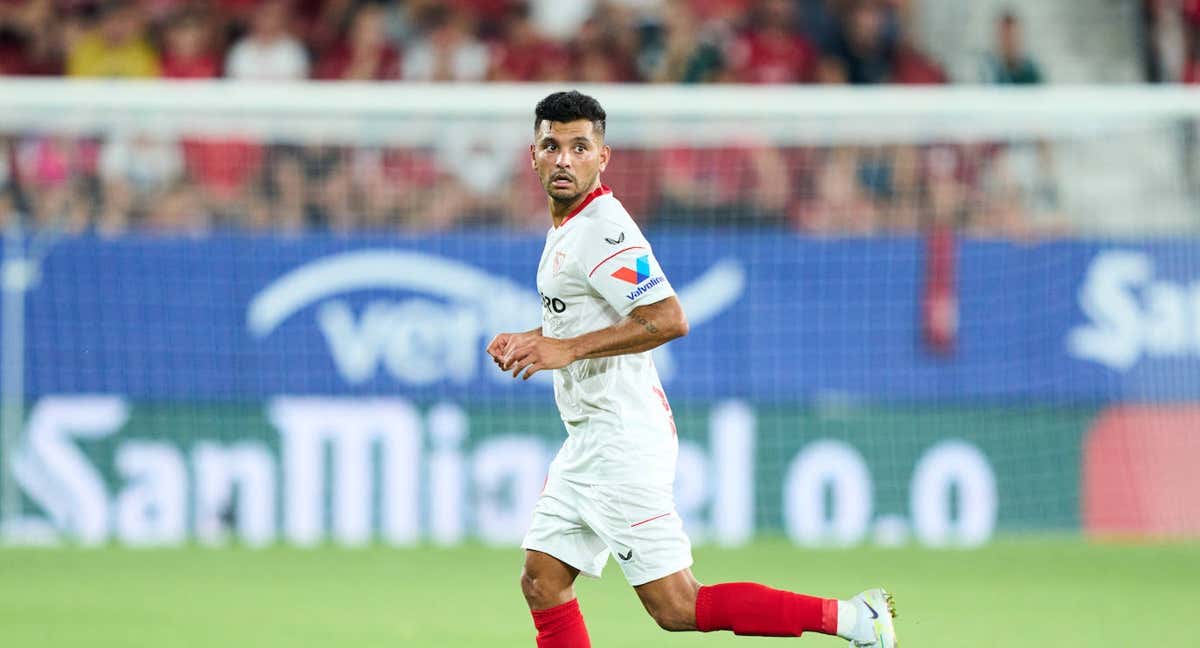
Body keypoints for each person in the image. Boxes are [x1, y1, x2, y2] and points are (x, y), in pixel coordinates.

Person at [486, 90, 899, 648]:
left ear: (602, 157)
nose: (564, 159)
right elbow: (583, 323)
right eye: (552, 146)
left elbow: (668, 318)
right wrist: (539, 340)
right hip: (589, 440)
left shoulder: (604, 229)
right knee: (543, 579)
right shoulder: (568, 227)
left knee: (677, 606)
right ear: (532, 155)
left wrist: (568, 349)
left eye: (579, 147)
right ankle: (853, 619)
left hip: (621, 439)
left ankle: (854, 620)